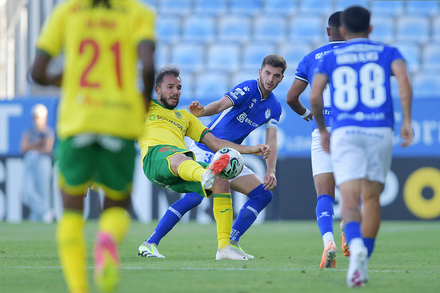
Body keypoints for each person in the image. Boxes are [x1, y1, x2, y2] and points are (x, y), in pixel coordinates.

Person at [31, 0, 156, 292]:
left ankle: (78, 288)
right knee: (116, 203)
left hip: (78, 120)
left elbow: (36, 72)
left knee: (72, 211)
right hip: (120, 120)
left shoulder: (66, 11)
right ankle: (108, 242)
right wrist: (143, 103)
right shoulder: (139, 12)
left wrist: (60, 79)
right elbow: (148, 65)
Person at [138, 55, 286, 260]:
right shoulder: (248, 88)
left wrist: (271, 170)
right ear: (260, 72)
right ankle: (151, 242)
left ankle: (230, 243)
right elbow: (218, 106)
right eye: (267, 73)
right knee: (198, 193)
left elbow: (272, 141)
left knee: (262, 194)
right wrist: (203, 111)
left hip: (230, 153)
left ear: (281, 79)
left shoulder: (275, 107)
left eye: (276, 76)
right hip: (207, 150)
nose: (270, 79)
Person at [310, 6, 413, 287]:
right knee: (371, 199)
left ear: (342, 31)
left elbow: (315, 95)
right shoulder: (388, 52)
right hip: (379, 129)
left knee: (350, 198)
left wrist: (321, 129)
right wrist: (407, 120)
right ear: (371, 29)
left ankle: (354, 246)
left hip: (345, 131)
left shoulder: (332, 56)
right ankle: (362, 255)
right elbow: (403, 78)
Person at [286, 11, 347, 268]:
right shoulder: (360, 55)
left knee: (324, 194)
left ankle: (328, 242)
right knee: (354, 190)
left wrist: (306, 114)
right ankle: (349, 232)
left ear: (328, 31)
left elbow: (291, 97)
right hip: (351, 131)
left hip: (322, 131)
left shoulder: (311, 58)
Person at [20, 103, 55, 223]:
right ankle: (46, 211)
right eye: (35, 117)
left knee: (43, 192)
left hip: (43, 161)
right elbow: (23, 147)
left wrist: (33, 146)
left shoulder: (49, 132)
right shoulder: (28, 132)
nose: (37, 120)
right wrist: (37, 143)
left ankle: (37, 219)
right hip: (30, 160)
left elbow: (47, 149)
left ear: (45, 118)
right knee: (27, 190)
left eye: (39, 117)